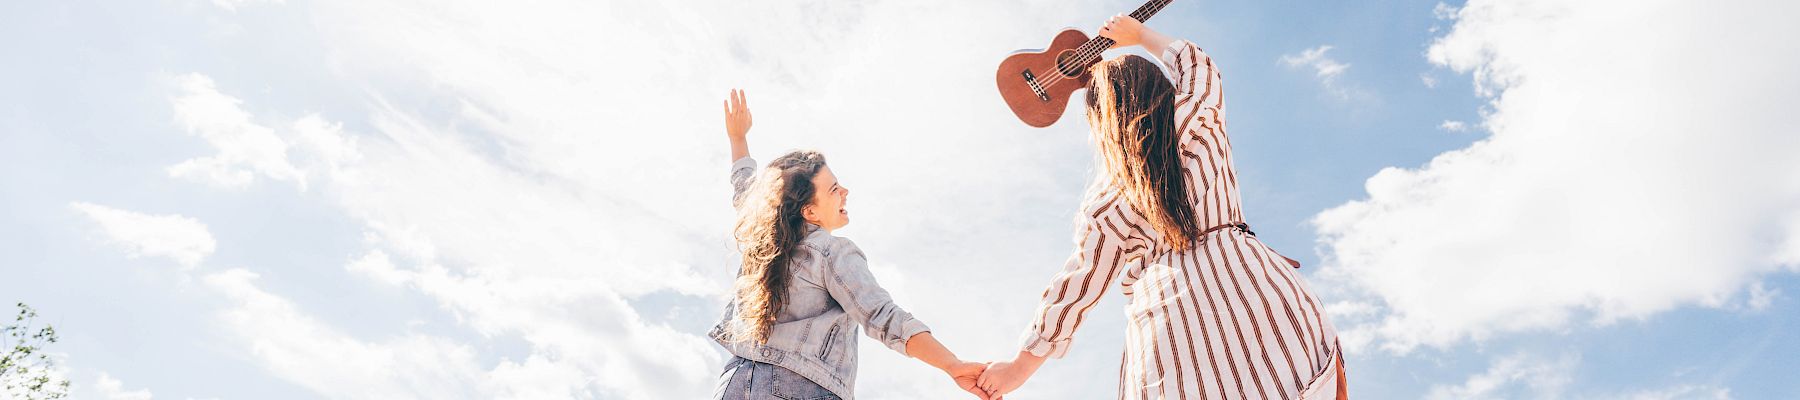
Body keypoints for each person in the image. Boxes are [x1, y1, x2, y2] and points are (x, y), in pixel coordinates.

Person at [977, 15, 1348, 400]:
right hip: (1256, 291)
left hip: (1169, 330)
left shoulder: (1105, 201)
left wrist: (1017, 369)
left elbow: (1076, 287)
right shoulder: (1197, 120)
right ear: (1161, 90)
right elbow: (1197, 65)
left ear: (1100, 124)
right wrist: (1138, 35)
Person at [709, 89, 991, 400]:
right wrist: (952, 364)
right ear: (810, 211)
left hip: (734, 384)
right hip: (800, 388)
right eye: (833, 189)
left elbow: (745, 192)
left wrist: (738, 139)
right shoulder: (831, 252)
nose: (845, 190)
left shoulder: (762, 240)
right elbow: (883, 317)